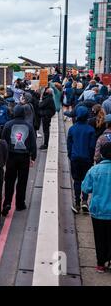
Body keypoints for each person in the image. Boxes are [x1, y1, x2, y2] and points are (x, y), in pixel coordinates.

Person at [1, 105, 37, 215]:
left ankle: (7, 202)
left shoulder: (8, 125)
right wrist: (33, 157)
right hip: (24, 157)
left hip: (11, 156)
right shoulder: (29, 126)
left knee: (9, 181)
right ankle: (20, 203)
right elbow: (33, 143)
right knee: (22, 181)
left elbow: (3, 141)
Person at [82, 142, 111, 273]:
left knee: (99, 238)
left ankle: (100, 264)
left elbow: (86, 188)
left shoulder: (94, 170)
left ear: (102, 155)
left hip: (98, 211)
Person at [67, 106, 96, 214]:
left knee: (77, 180)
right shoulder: (91, 130)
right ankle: (85, 200)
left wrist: (71, 156)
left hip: (75, 157)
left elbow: (69, 145)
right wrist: (91, 158)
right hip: (87, 158)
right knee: (85, 180)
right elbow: (92, 147)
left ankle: (77, 203)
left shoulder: (72, 129)